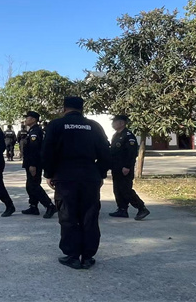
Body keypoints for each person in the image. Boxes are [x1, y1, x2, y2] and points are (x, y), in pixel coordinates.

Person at [42, 97, 110, 270]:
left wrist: (49, 174)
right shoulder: (94, 126)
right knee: (89, 216)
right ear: (82, 108)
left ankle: (72, 256)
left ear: (64, 108)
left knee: (68, 216)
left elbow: (47, 151)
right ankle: (87, 256)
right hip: (89, 176)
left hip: (65, 176)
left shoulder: (56, 125)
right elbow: (105, 152)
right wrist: (100, 174)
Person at [109, 115, 150, 221]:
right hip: (116, 167)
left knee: (126, 189)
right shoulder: (116, 135)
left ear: (122, 123)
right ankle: (122, 209)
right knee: (117, 189)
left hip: (125, 168)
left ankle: (141, 208)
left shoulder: (128, 136)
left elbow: (131, 153)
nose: (113, 124)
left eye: (115, 122)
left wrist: (127, 166)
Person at [21, 111, 57, 218]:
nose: (26, 119)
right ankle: (33, 206)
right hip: (30, 162)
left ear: (33, 119)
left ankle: (49, 205)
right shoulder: (32, 130)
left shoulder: (35, 132)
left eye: (27, 117)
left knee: (34, 186)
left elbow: (35, 149)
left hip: (34, 163)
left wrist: (33, 164)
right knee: (30, 185)